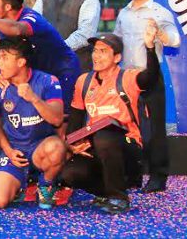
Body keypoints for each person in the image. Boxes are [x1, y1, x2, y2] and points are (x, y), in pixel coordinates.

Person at [61, 29, 162, 214]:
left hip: (129, 148)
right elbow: (75, 119)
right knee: (70, 173)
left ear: (117, 57)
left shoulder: (128, 77)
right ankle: (107, 192)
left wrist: (149, 48)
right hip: (98, 146)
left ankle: (119, 197)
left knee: (104, 137)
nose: (96, 56)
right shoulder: (83, 81)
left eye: (103, 51)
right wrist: (73, 143)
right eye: (95, 50)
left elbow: (151, 77)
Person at [113, 0, 179, 193]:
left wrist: (159, 34)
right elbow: (118, 42)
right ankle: (133, 175)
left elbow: (175, 40)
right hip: (127, 78)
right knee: (129, 126)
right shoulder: (124, 13)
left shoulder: (160, 13)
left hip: (149, 74)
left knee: (154, 128)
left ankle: (158, 176)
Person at [0, 0, 81, 110]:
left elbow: (18, 29)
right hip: (38, 75)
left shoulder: (31, 18)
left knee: (61, 117)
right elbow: (13, 58)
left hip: (62, 69)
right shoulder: (4, 25)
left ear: (7, 7)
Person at [0, 38, 66, 210]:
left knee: (57, 147)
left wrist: (34, 98)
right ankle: (21, 185)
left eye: (5, 58)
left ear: (21, 62)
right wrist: (8, 150)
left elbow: (57, 119)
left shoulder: (47, 81)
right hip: (14, 149)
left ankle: (45, 185)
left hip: (40, 148)